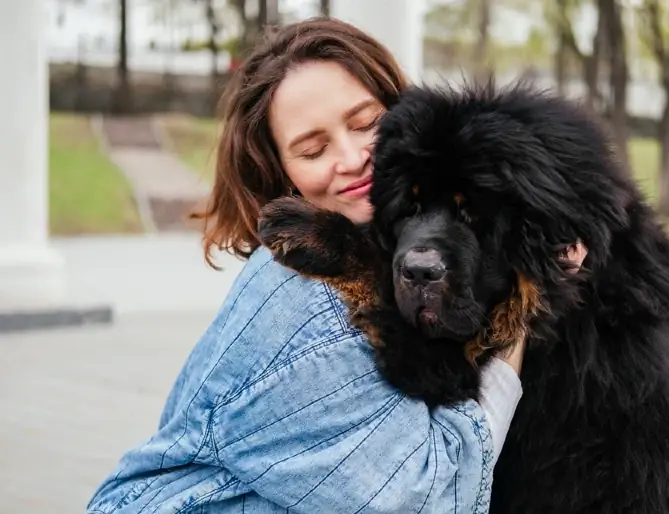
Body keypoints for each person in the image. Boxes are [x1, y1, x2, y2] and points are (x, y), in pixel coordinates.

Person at [87, 18, 587, 514]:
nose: (352, 158)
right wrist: (526, 305)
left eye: (367, 123)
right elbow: (434, 500)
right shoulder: (312, 294)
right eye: (313, 149)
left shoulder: (405, 251)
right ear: (282, 176)